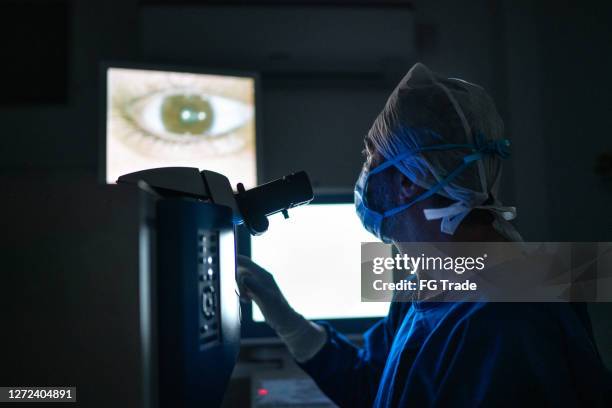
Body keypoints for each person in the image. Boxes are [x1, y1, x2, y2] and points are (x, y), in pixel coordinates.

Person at [237, 63, 611, 407]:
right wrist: (287, 321)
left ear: (406, 182)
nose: (364, 173)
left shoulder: (506, 322)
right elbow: (374, 385)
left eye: (370, 158)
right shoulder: (429, 281)